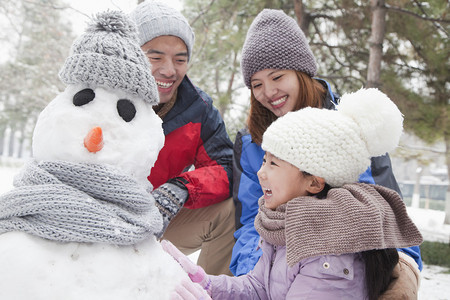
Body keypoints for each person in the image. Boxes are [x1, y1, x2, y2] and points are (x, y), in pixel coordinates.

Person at [162, 87, 423, 299]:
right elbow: (257, 289)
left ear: (314, 183)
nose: (261, 173)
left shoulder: (328, 251)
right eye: (264, 160)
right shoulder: (283, 225)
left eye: (274, 164)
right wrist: (205, 283)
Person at [230, 8, 423, 293]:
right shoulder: (251, 143)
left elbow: (385, 208)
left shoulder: (350, 128)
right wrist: (260, 278)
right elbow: (249, 222)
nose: (268, 92)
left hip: (348, 267)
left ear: (301, 72)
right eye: (257, 84)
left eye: (277, 77)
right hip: (279, 266)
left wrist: (404, 268)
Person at [130, 1, 235, 275]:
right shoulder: (98, 96)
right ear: (131, 54)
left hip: (157, 223)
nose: (169, 70)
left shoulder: (197, 110)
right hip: (93, 224)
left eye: (180, 59)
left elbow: (226, 166)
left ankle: (210, 291)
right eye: (156, 57)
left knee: (229, 211)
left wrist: (182, 187)